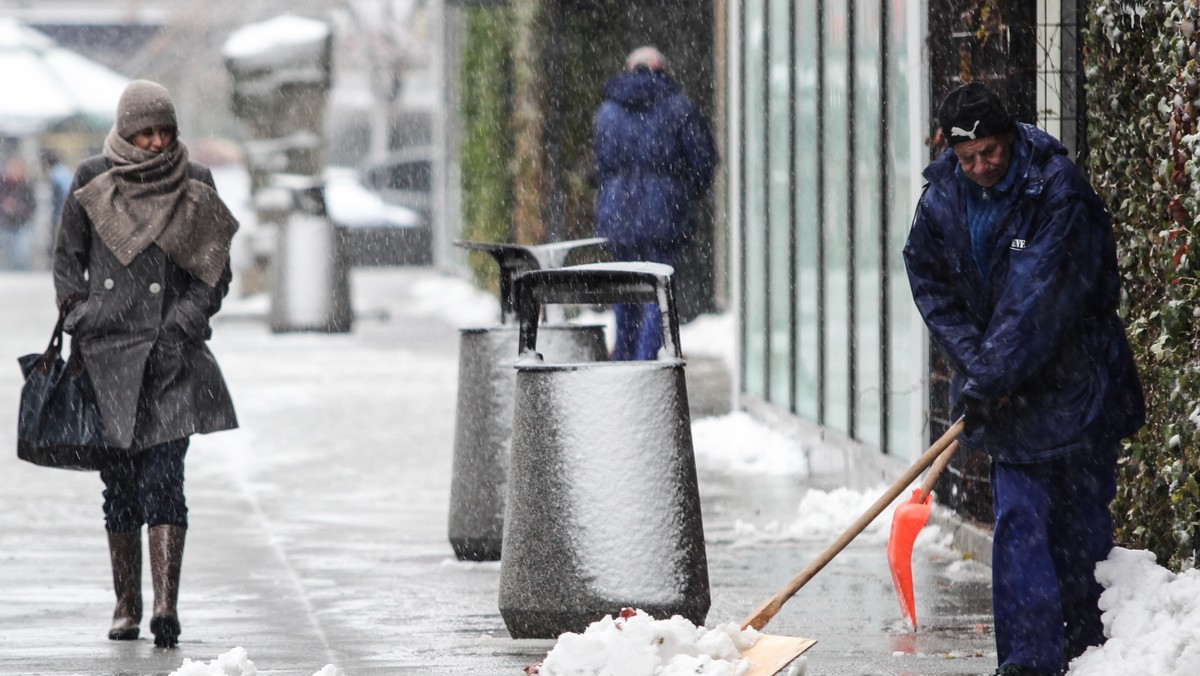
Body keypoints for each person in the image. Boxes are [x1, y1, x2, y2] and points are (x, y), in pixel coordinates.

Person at [903, 82, 1145, 676]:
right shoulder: (941, 201)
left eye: (990, 151)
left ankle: (1088, 654)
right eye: (968, 158)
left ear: (1009, 138)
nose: (982, 166)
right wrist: (982, 368)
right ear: (949, 153)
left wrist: (990, 376)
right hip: (1007, 390)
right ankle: (1029, 664)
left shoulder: (1058, 190)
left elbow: (1040, 297)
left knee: (1078, 526)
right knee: (1019, 523)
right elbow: (931, 286)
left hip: (1075, 383)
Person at [53, 80, 240, 648]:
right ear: (125, 131)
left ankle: (165, 605)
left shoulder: (196, 183)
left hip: (171, 359)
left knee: (165, 478)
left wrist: (180, 326)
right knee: (120, 486)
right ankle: (126, 601)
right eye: (144, 131)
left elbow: (215, 271)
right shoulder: (91, 181)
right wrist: (84, 318)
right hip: (107, 358)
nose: (156, 142)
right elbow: (67, 263)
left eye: (164, 130)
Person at [593, 46, 716, 360]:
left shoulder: (607, 111)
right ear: (661, 69)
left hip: (618, 213)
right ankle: (647, 357)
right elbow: (703, 160)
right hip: (664, 213)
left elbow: (601, 165)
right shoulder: (678, 107)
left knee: (625, 287)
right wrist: (685, 192)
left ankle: (624, 354)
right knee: (659, 290)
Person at [0, 157, 37, 270]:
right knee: (5, 254)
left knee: (21, 255)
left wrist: (19, 208)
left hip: (22, 224)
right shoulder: (3, 185)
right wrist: (5, 206)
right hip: (5, 224)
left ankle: (20, 277)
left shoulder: (26, 186)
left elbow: (32, 205)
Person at [41, 149, 73, 260]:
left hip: (61, 212)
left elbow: (58, 195)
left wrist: (55, 210)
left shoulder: (55, 174)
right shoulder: (65, 170)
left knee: (57, 240)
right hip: (70, 211)